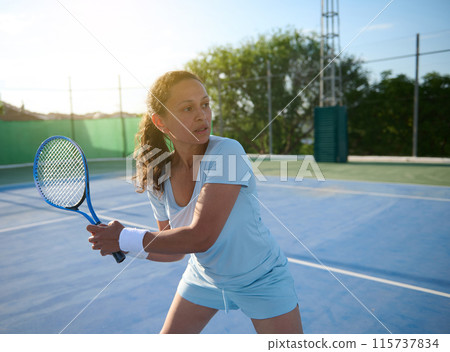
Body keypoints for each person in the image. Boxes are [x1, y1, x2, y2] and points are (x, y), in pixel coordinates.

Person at [87, 71, 303, 334]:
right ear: (161, 122)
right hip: (204, 277)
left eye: (205, 104)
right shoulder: (158, 173)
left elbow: (201, 237)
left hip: (261, 278)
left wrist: (125, 238)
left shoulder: (227, 151)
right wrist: (119, 243)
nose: (202, 115)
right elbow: (175, 249)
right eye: (188, 108)